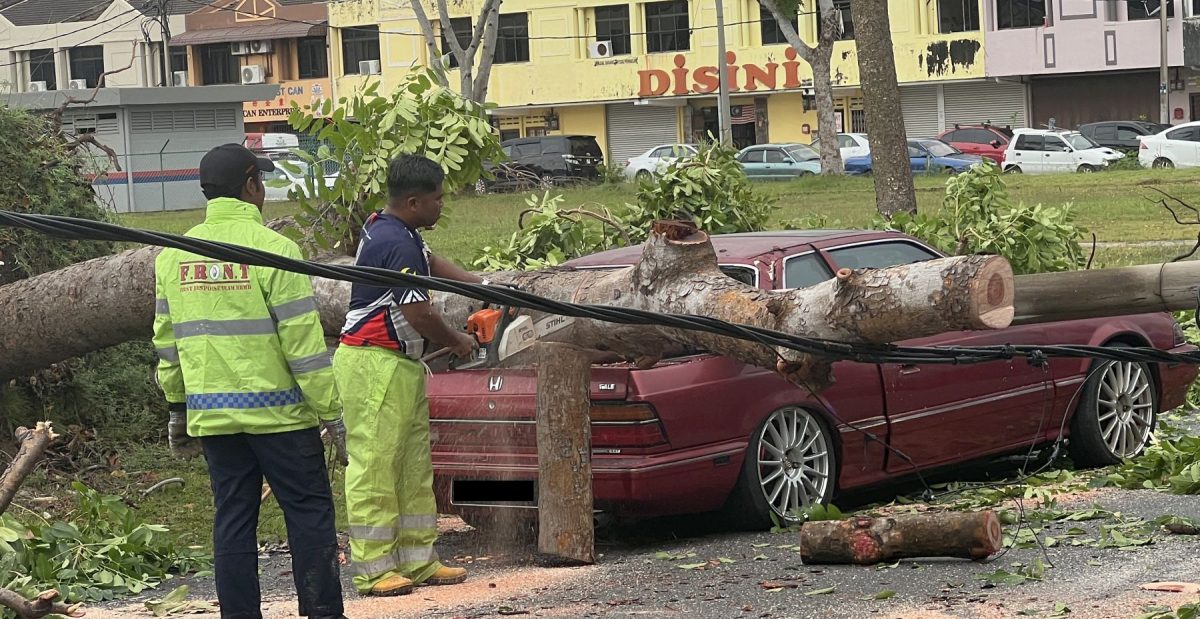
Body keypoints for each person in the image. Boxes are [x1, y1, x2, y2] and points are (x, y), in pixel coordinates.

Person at [152, 143, 349, 619]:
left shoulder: (173, 258)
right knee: (308, 515)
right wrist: (333, 416)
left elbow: (167, 344)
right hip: (281, 418)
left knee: (233, 519)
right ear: (251, 186)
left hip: (215, 419)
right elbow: (303, 348)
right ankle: (323, 612)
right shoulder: (278, 252)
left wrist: (178, 409)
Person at [333, 153, 480, 597]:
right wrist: (456, 340)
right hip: (373, 362)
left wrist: (481, 286)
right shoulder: (394, 242)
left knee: (414, 466)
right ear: (414, 201)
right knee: (376, 467)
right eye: (437, 200)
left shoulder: (397, 229)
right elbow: (420, 312)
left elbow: (431, 262)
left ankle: (418, 558)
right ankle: (375, 569)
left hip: (400, 365)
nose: (441, 206)